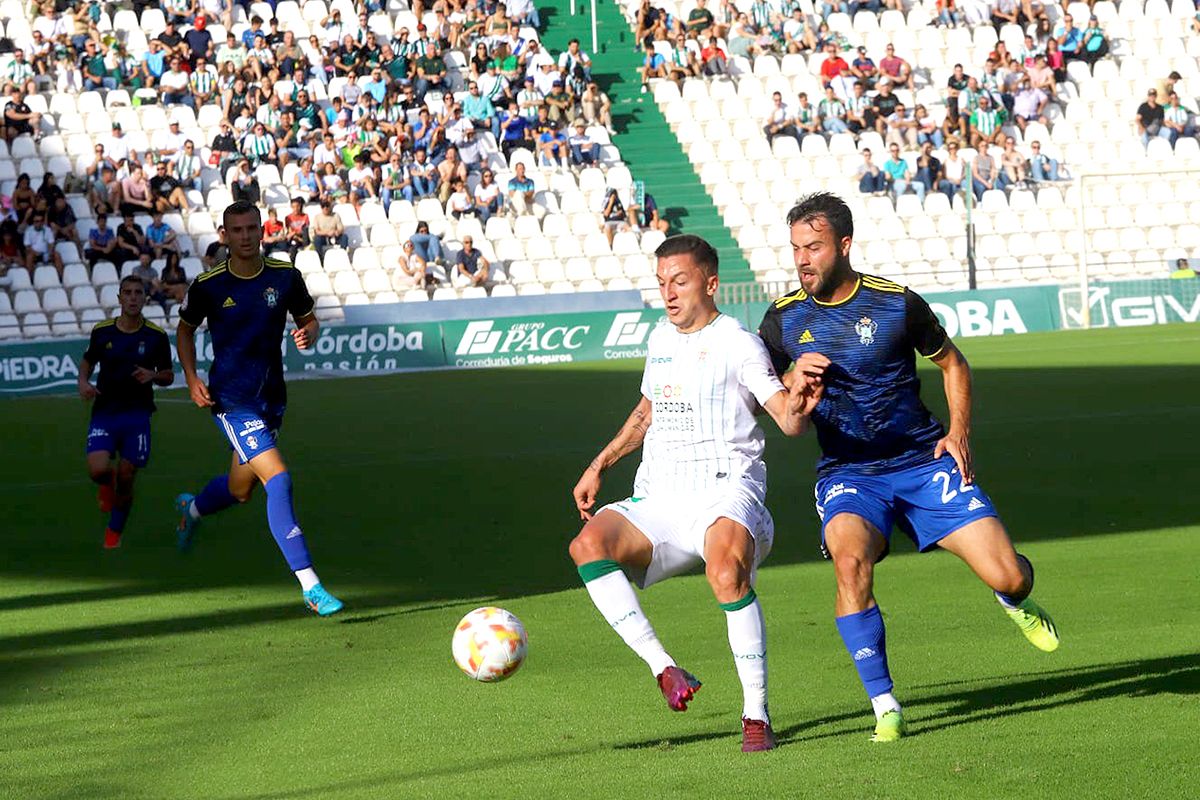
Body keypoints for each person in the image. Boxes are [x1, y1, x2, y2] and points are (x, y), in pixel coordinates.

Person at [757, 192, 1060, 743]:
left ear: (844, 246)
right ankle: (885, 704)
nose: (802, 259)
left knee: (1007, 572)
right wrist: (792, 383)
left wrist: (958, 432)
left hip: (924, 462)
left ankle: (1014, 597)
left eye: (814, 247)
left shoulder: (897, 304)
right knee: (850, 563)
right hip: (849, 473)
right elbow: (767, 400)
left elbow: (953, 363)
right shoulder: (781, 321)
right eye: (796, 247)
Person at [568, 234, 822, 754]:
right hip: (660, 494)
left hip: (726, 489)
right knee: (586, 546)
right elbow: (647, 411)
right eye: (662, 283)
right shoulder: (660, 339)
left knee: (725, 572)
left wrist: (800, 399)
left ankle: (755, 713)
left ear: (710, 283)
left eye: (679, 281)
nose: (668, 293)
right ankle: (664, 669)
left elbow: (786, 420)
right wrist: (600, 464)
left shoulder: (739, 343)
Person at [174, 201, 343, 617]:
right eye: (238, 230)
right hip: (231, 400)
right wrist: (192, 377)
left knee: (240, 489)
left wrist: (309, 333)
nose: (246, 236)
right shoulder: (209, 285)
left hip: (271, 398)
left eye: (252, 228)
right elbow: (184, 329)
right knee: (279, 480)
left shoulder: (285, 276)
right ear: (224, 235)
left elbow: (310, 319)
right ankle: (311, 586)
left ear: (261, 231)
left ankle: (191, 510)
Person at [79, 276, 175, 549]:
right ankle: (106, 487)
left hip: (137, 415)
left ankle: (114, 530)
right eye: (128, 293)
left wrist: (153, 375)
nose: (133, 297)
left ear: (145, 298)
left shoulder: (156, 336)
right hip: (105, 412)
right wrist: (83, 382)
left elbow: (168, 375)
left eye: (138, 293)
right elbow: (87, 361)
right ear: (119, 298)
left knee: (126, 475)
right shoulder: (103, 331)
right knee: (98, 471)